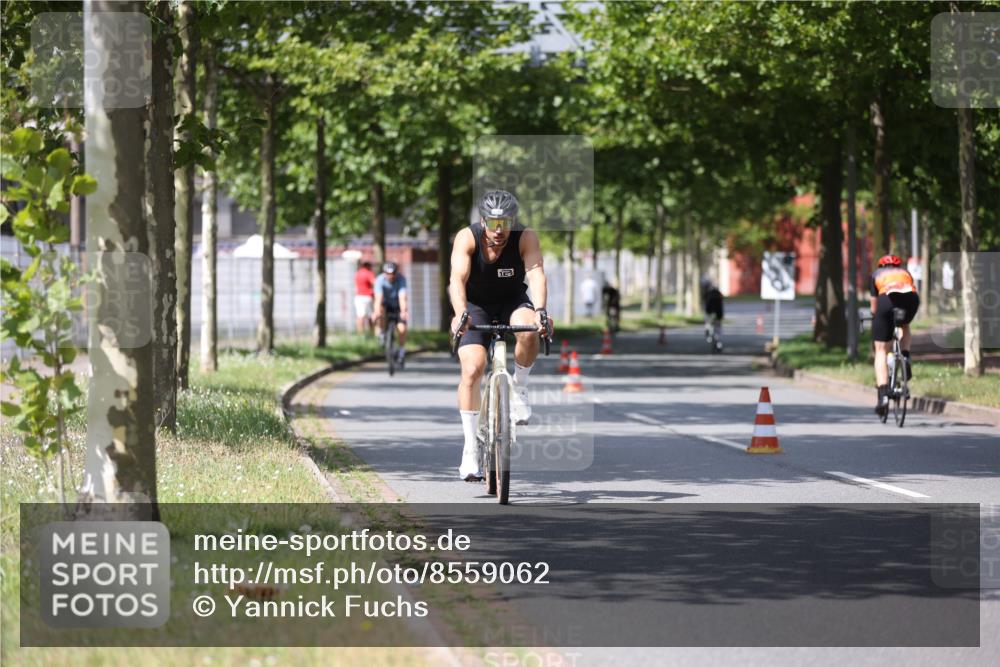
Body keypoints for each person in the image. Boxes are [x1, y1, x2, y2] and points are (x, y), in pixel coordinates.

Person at [450, 190, 551, 481]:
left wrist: (541, 310)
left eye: (505, 223)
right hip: (475, 305)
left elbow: (536, 274)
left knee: (530, 328)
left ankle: (518, 388)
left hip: (512, 300)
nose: (499, 230)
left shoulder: (525, 237)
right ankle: (470, 447)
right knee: (473, 367)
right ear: (483, 221)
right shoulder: (467, 237)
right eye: (493, 223)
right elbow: (457, 279)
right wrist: (460, 313)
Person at [870, 254, 919, 416]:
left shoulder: (877, 274)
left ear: (880, 266)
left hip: (887, 299)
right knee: (905, 324)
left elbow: (873, 308)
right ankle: (905, 356)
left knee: (881, 350)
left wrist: (878, 320)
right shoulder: (905, 273)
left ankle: (883, 396)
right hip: (911, 299)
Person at [372, 262, 409, 367]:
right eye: (388, 274)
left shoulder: (401, 279)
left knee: (402, 328)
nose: (391, 276)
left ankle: (401, 352)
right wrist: (376, 312)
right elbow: (378, 298)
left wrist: (403, 311)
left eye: (393, 274)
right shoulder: (379, 280)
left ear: (396, 273)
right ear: (384, 274)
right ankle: (383, 332)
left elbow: (402, 297)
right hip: (386, 305)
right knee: (380, 311)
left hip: (397, 306)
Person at [353, 261, 375, 334]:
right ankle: (372, 333)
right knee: (370, 316)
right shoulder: (369, 273)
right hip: (367, 297)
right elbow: (374, 283)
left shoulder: (358, 273)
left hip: (358, 296)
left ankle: (360, 334)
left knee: (360, 316)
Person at [702, 278, 724, 348]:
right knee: (718, 328)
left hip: (709, 312)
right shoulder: (719, 294)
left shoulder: (707, 293)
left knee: (708, 323)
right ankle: (718, 341)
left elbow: (705, 304)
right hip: (718, 313)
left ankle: (708, 333)